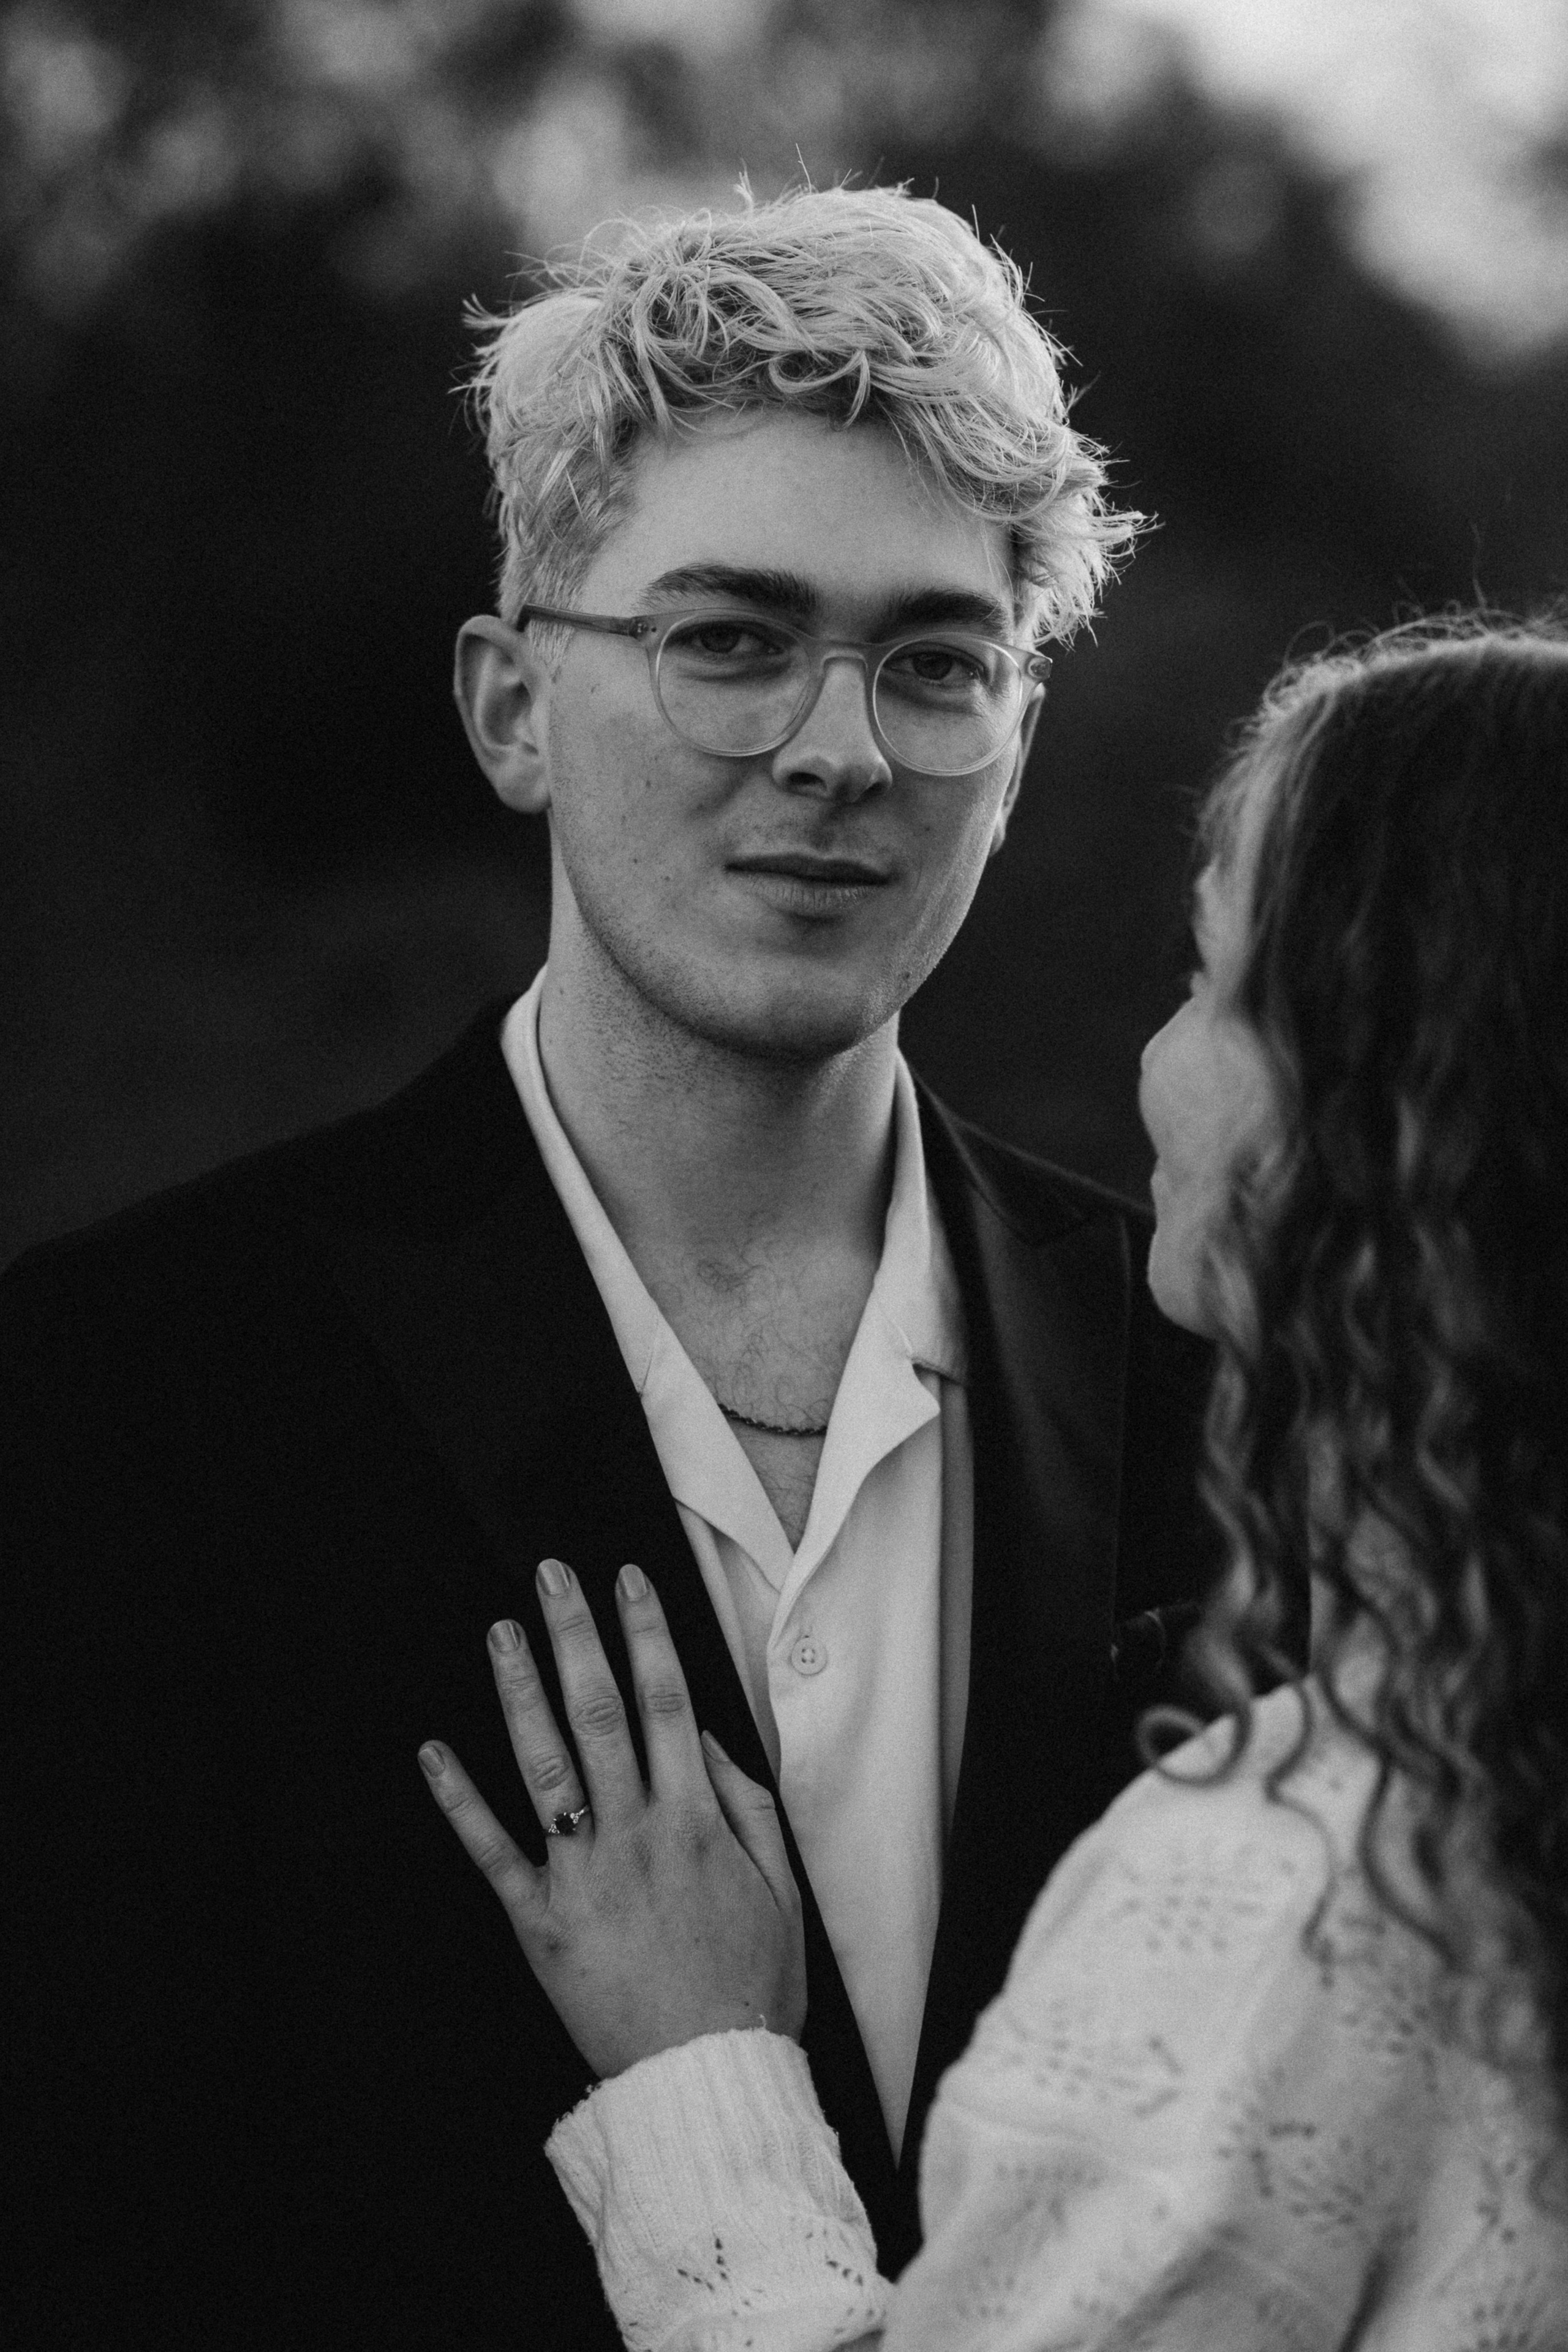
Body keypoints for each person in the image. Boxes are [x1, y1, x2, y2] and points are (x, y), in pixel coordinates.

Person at [3, 187, 1223, 2348]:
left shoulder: (1232, 1393)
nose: (840, 748)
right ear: (510, 708)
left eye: (938, 662)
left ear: (1014, 744)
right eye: (729, 638)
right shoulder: (124, 1400)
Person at [421, 619, 1568, 2348]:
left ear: (1394, 1121)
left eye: (1213, 980)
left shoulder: (1310, 1886)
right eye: (727, 642)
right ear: (510, 700)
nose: (1159, 1061)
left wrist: (701, 2079)